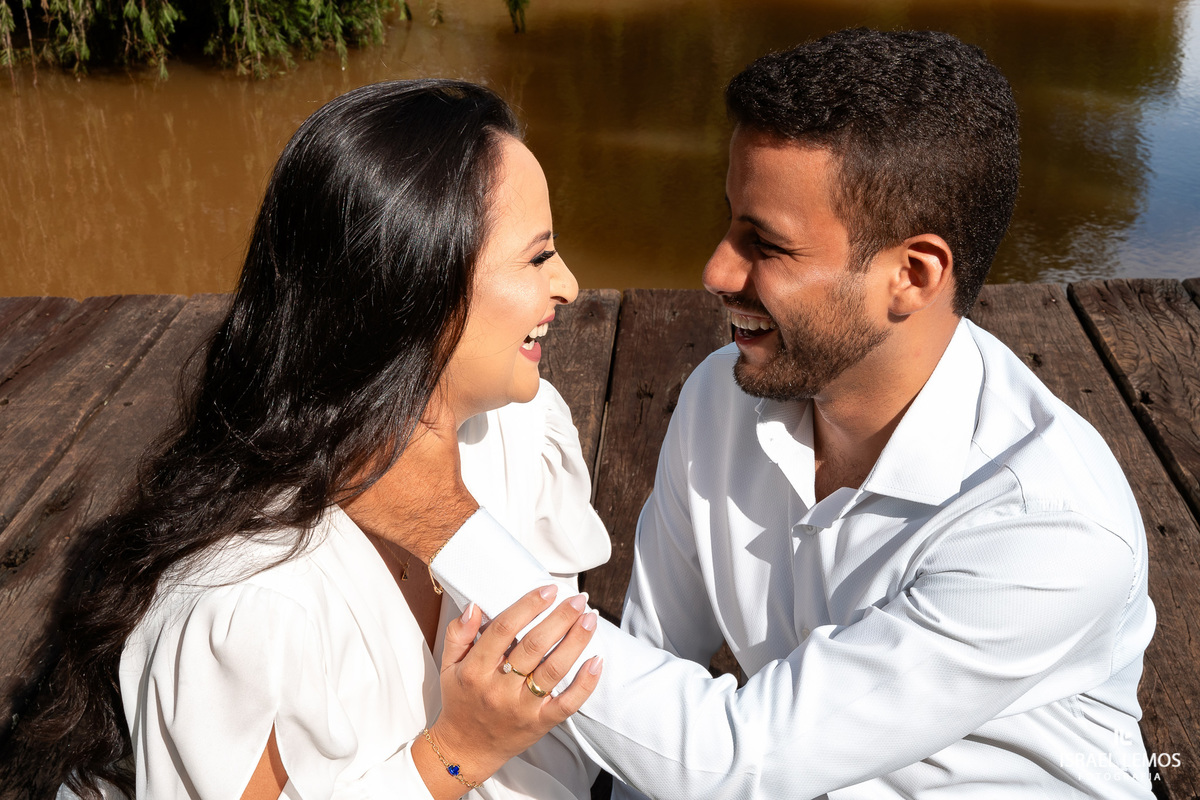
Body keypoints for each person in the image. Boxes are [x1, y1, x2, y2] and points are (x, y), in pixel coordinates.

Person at [379, 29, 1159, 799]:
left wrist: (438, 518)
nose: (716, 270)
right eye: (729, 222)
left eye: (768, 245)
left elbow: (741, 761)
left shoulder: (1050, 526)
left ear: (913, 275)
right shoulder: (721, 401)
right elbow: (649, 672)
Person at [0, 79, 610, 800]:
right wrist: (457, 752)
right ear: (413, 286)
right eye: (537, 257)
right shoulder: (255, 602)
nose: (570, 285)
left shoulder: (516, 435)